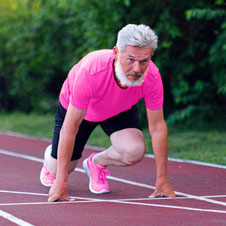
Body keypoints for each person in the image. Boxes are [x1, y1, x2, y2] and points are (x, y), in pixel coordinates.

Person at [40, 24, 176, 202]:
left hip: (118, 108)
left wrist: (162, 179)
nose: (137, 68)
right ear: (116, 53)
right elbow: (70, 127)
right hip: (81, 110)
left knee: (134, 151)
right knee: (58, 169)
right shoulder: (91, 71)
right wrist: (61, 181)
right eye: (131, 60)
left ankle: (96, 163)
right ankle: (52, 154)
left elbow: (157, 128)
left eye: (144, 61)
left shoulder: (152, 77)